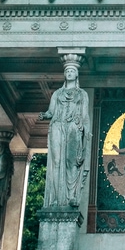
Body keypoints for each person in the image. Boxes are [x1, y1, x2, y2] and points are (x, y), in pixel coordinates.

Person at [39, 58, 90, 208]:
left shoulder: (82, 94)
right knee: (56, 161)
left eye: (72, 71)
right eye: (67, 71)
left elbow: (85, 115)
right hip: (57, 126)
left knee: (71, 161)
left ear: (76, 75)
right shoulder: (57, 94)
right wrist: (45, 115)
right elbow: (51, 111)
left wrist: (85, 133)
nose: (69, 72)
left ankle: (71, 196)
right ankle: (55, 198)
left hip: (74, 128)